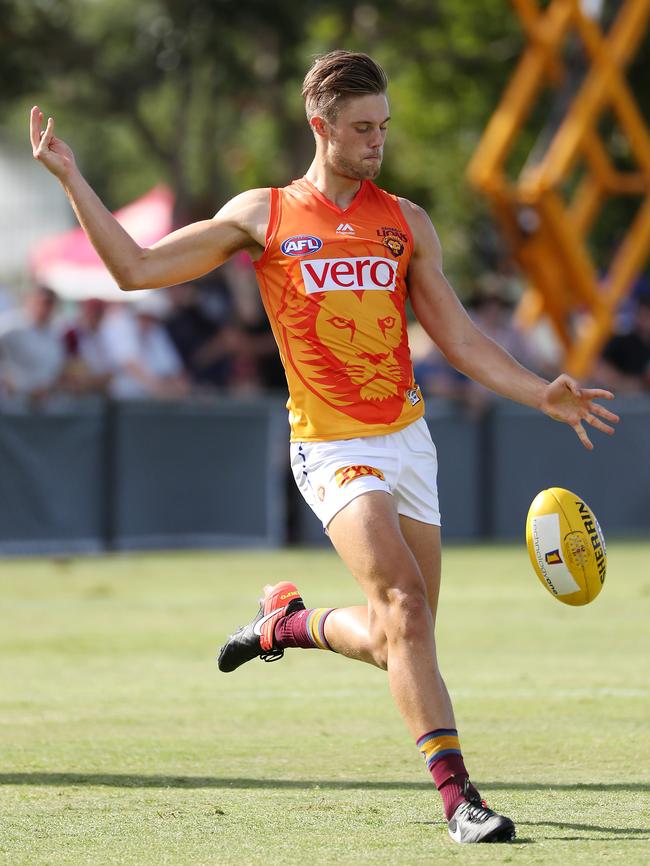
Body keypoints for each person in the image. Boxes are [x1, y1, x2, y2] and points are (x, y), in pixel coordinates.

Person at [30, 50, 619, 844]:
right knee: (406, 608)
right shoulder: (263, 215)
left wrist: (538, 390)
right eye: (362, 128)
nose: (378, 141)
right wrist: (72, 179)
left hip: (408, 442)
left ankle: (287, 625)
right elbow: (135, 268)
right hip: (333, 448)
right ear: (321, 126)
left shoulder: (405, 223)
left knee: (394, 638)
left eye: (383, 127)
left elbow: (460, 338)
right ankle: (459, 800)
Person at [0, 285, 66, 403]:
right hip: (11, 403)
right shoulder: (10, 325)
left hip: (44, 405)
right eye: (43, 302)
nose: (46, 308)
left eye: (50, 304)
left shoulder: (56, 332)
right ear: (30, 301)